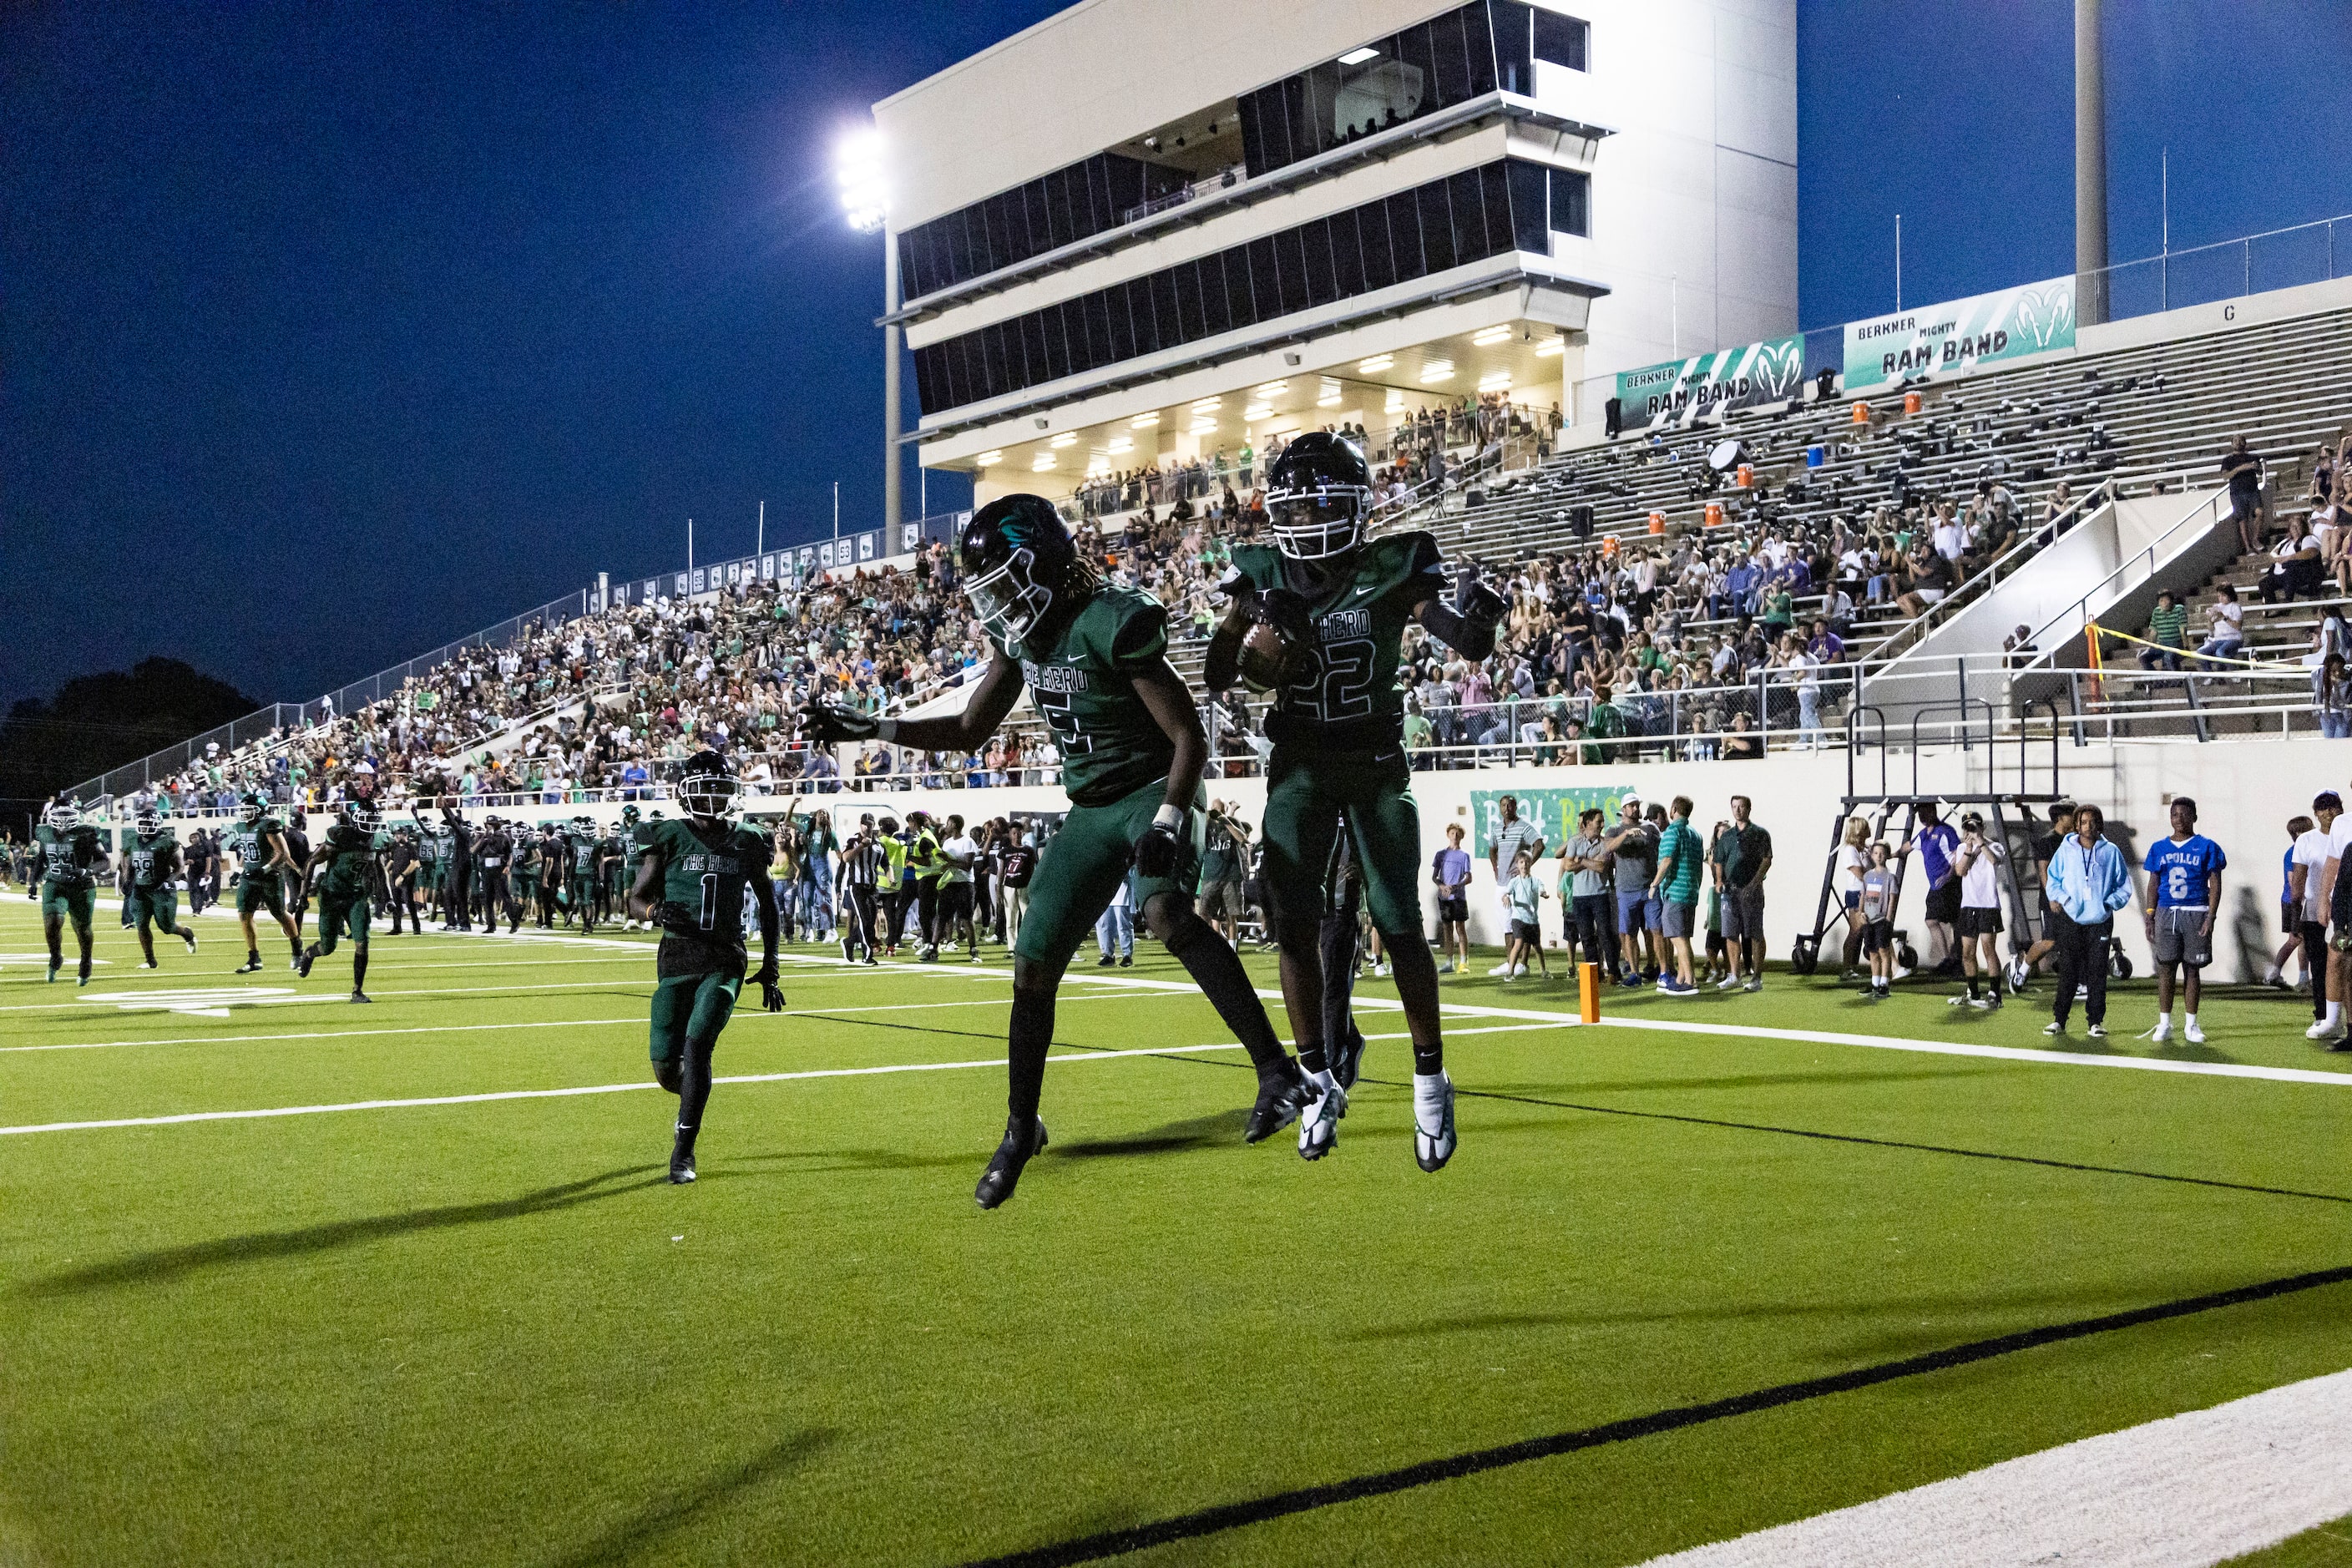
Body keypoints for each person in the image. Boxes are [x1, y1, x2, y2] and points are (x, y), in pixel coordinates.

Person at [804, 494, 1314, 1207]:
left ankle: (1275, 1070)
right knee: (1032, 960)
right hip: (1092, 808)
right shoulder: (1026, 637)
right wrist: (874, 729)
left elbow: (1189, 737)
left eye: (1007, 582)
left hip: (1150, 789)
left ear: (1042, 564)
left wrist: (1168, 819)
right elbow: (968, 729)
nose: (1000, 603)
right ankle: (1020, 1126)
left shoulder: (1111, 619)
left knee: (1165, 912)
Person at [1204, 432, 1504, 1169]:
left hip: (1372, 761)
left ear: (1356, 507)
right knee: (1291, 927)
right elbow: (1217, 674)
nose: (1306, 521)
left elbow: (1463, 640)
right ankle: (1315, 1079)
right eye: (1295, 507)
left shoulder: (1393, 564)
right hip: (1299, 765)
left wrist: (1484, 619)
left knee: (1400, 922)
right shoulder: (1260, 572)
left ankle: (1430, 1081)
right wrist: (1253, 637)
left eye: (1320, 505)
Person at [624, 751, 786, 1185]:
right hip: (677, 957)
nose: (712, 797)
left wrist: (771, 964)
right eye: (704, 788)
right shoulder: (667, 836)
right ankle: (696, 1093)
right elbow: (636, 899)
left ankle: (683, 1150)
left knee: (698, 1046)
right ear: (684, 793)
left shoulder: (748, 839)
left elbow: (768, 907)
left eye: (720, 788)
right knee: (665, 1066)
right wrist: (655, 911)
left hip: (725, 958)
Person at [2043, 803, 2132, 1039]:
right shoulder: (2066, 849)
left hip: (2100, 920)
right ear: (2076, 825)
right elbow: (2053, 879)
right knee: (2069, 972)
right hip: (2071, 919)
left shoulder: (2111, 851)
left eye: (2092, 822)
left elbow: (2123, 885)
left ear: (2099, 824)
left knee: (2097, 972)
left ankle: (2095, 1021)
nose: (2088, 826)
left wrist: (2109, 903)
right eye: (2083, 822)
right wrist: (2064, 900)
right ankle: (2059, 1020)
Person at [2142, 797, 2225, 1044]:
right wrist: (2150, 914)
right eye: (2174, 814)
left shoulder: (2207, 846)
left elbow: (2215, 884)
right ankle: (2165, 1023)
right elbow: (2154, 883)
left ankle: (2191, 1024)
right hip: (2167, 912)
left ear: (2194, 817)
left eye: (2184, 814)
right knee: (2166, 968)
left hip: (2196, 911)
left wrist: (2211, 916)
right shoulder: (2159, 848)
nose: (2179, 819)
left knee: (2192, 969)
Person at [296, 797, 392, 1004]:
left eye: (374, 819)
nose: (372, 824)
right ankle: (310, 954)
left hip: (356, 896)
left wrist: (388, 897)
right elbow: (313, 861)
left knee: (362, 944)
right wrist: (303, 894)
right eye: (368, 819)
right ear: (356, 818)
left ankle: (357, 991)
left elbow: (380, 870)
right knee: (328, 947)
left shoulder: (375, 840)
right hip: (332, 896)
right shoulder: (340, 836)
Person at [30, 801, 108, 985]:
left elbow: (104, 861)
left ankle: (86, 961)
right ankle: (55, 957)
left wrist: (88, 871)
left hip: (82, 887)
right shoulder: (45, 833)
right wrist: (32, 881)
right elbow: (41, 858)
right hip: (55, 884)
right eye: (60, 815)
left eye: (67, 815)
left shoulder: (87, 833)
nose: (64, 820)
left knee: (82, 928)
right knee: (52, 923)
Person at [225, 792, 305, 974]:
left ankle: (297, 950)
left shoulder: (268, 825)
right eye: (243, 810)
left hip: (269, 877)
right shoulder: (243, 827)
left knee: (279, 914)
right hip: (249, 876)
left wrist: (264, 869)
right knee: (244, 915)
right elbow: (247, 850)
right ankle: (254, 958)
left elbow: (283, 853)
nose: (244, 813)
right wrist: (239, 871)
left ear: (259, 810)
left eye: (248, 810)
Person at [119, 806, 200, 969]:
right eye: (142, 823)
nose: (144, 827)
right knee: (141, 925)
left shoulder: (167, 842)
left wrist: (168, 881)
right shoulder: (132, 841)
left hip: (161, 890)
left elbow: (179, 867)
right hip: (140, 889)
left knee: (166, 927)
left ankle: (187, 934)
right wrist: (126, 878)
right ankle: (150, 961)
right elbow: (125, 858)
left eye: (148, 824)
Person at [2011, 802, 2078, 987]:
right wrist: (2052, 897)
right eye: (2071, 815)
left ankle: (2078, 982)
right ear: (2060, 818)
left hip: (2071, 900)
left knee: (2074, 940)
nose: (2075, 818)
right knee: (2049, 942)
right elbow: (2043, 870)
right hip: (2052, 901)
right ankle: (2023, 969)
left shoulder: (2074, 840)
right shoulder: (2048, 841)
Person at [1947, 812, 2006, 1010]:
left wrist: (1980, 843)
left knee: (1988, 948)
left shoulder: (1994, 845)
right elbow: (1960, 871)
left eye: (1973, 827)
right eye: (1967, 828)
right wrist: (1969, 849)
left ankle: (1995, 994)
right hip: (1969, 905)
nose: (1970, 831)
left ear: (1982, 827)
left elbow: (1994, 861)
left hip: (1988, 905)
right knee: (1967, 952)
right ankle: (1972, 992)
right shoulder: (1963, 847)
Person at [1712, 795, 1772, 992]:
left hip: (1752, 891)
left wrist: (1754, 884)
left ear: (1749, 808)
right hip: (1730, 891)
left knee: (1755, 933)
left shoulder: (1760, 834)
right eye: (1734, 807)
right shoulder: (1727, 836)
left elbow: (1766, 860)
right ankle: (1734, 975)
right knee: (1730, 934)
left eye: (1741, 806)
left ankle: (1756, 977)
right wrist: (1719, 881)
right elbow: (1719, 860)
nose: (1738, 810)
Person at [1649, 796, 1704, 994]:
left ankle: (1690, 981)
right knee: (1684, 937)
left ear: (1673, 810)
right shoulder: (1695, 834)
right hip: (1690, 890)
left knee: (1677, 938)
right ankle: (1681, 978)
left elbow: (1667, 860)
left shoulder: (1673, 832)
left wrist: (1655, 884)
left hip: (1675, 891)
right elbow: (1699, 865)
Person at [1601, 796, 1657, 985]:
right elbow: (1608, 847)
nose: (1635, 809)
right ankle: (1634, 973)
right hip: (1626, 890)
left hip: (1649, 888)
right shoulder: (1615, 829)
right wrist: (1626, 835)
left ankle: (1658, 968)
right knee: (1629, 933)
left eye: (1637, 805)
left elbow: (1661, 850)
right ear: (1623, 808)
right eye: (1631, 806)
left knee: (1655, 930)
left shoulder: (1650, 828)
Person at [1908, 802, 1962, 973]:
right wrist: (1888, 853)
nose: (1922, 817)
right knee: (1935, 920)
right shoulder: (1924, 834)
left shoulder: (1945, 832)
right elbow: (1908, 847)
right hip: (1936, 885)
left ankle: (1956, 959)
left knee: (1953, 921)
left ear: (1933, 811)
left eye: (1924, 812)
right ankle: (1950, 959)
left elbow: (1957, 855)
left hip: (1949, 884)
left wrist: (1949, 875)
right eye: (1919, 814)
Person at [1559, 809, 1611, 973]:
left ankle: (1612, 971)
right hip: (1580, 897)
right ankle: (1594, 974)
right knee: (1586, 938)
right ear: (1587, 824)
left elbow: (1601, 867)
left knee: (1604, 934)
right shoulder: (1575, 842)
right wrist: (1588, 862)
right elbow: (1567, 865)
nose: (1602, 825)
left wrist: (1580, 861)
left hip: (1600, 895)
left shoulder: (1604, 843)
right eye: (1599, 822)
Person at [838, 814, 883, 965]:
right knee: (864, 920)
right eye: (865, 824)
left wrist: (890, 877)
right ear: (860, 825)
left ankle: (850, 942)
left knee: (870, 923)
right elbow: (845, 858)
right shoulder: (853, 841)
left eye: (870, 824)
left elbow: (885, 863)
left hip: (872, 887)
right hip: (856, 886)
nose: (867, 827)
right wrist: (861, 846)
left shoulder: (878, 844)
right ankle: (867, 955)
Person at [1858, 840, 1898, 1000]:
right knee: (1872, 951)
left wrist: (1888, 919)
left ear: (1887, 855)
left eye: (1882, 853)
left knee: (1883, 951)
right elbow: (1863, 895)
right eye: (1876, 853)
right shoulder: (1868, 876)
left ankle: (1884, 984)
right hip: (1868, 920)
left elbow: (1892, 898)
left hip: (1882, 920)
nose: (1879, 856)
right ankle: (1875, 983)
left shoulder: (1890, 877)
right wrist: (1861, 912)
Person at [1431, 822, 1472, 974]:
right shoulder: (1441, 854)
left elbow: (1469, 877)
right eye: (1452, 833)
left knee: (1460, 929)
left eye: (1458, 834)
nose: (1455, 836)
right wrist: (1442, 886)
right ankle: (1449, 962)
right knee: (1447, 930)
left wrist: (1454, 887)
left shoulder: (1464, 856)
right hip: (1444, 898)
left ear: (1461, 836)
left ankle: (1464, 962)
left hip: (1458, 897)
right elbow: (1435, 877)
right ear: (1448, 835)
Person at [1500, 852, 1544, 981]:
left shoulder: (1536, 881)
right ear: (1517, 865)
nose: (1524, 865)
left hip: (1533, 919)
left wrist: (1543, 893)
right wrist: (1506, 897)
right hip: (1518, 918)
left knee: (1537, 946)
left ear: (1531, 863)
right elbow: (1506, 893)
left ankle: (1544, 970)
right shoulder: (1514, 881)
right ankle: (1510, 972)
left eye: (1527, 862)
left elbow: (1541, 889)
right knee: (1518, 943)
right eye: (1521, 862)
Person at [2220, 434, 2265, 554]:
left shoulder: (2253, 457)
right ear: (2232, 444)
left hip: (2252, 490)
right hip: (2237, 493)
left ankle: (2255, 539)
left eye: (2241, 441)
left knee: (2260, 512)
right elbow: (2225, 476)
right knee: (2242, 519)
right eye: (2235, 441)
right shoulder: (2228, 460)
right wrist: (2240, 468)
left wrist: (2255, 467)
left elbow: (2260, 472)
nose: (2238, 443)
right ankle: (2248, 547)